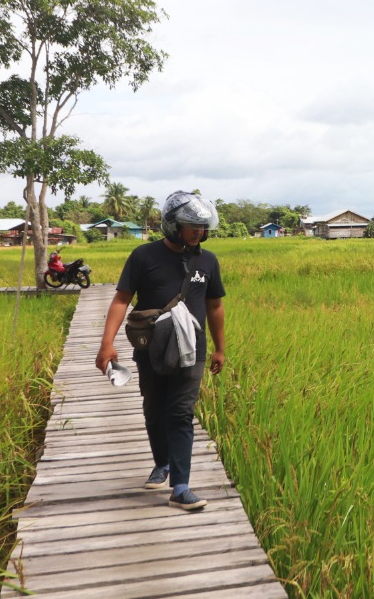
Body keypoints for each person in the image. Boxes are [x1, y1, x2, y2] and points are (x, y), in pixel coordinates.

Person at [95, 191, 227, 511]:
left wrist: (220, 349)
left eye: (202, 227)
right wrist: (107, 342)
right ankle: (162, 462)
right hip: (152, 347)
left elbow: (215, 305)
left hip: (192, 350)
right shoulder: (143, 256)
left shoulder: (207, 261)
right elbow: (122, 299)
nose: (199, 233)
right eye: (191, 226)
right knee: (154, 409)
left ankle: (180, 487)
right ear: (172, 226)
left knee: (181, 413)